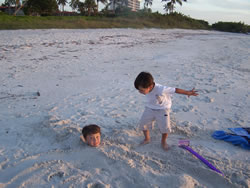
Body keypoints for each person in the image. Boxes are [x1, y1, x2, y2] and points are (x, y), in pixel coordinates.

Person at [134, 72, 198, 151]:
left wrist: (188, 92)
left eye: (141, 90)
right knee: (144, 124)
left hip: (163, 109)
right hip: (149, 108)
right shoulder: (146, 87)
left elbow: (176, 90)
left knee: (165, 127)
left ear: (150, 87)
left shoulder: (161, 89)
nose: (140, 92)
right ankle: (147, 139)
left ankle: (163, 142)